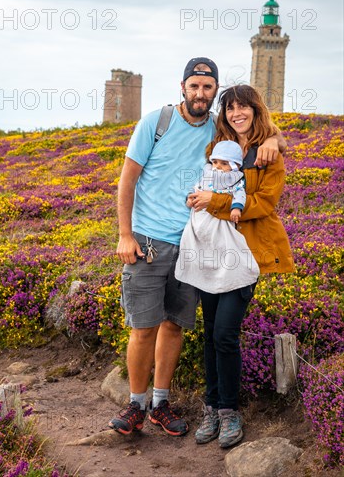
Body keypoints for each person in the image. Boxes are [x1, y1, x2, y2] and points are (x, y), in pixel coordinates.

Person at [109, 59, 285, 437]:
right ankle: (135, 405)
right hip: (149, 242)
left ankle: (160, 404)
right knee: (143, 329)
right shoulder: (156, 122)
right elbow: (127, 180)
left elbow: (257, 132)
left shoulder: (215, 130)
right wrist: (125, 235)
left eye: (208, 88)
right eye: (194, 86)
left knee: (175, 327)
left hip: (194, 245)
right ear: (183, 86)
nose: (200, 94)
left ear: (214, 93)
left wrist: (275, 139)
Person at [187, 84, 295, 449]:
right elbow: (202, 184)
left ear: (255, 109)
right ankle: (212, 407)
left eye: (243, 107)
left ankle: (230, 411)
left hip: (244, 255)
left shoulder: (268, 155)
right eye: (230, 108)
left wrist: (213, 201)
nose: (236, 113)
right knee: (209, 334)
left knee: (224, 334)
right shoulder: (216, 149)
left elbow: (263, 203)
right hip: (210, 251)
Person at [174, 140, 260, 294]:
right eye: (215, 162)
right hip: (200, 219)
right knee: (198, 246)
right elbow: (196, 188)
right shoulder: (207, 175)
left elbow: (239, 194)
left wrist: (236, 208)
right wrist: (191, 198)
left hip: (219, 220)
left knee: (223, 245)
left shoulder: (235, 179)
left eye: (224, 163)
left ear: (235, 166)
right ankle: (201, 273)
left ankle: (229, 276)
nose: (218, 166)